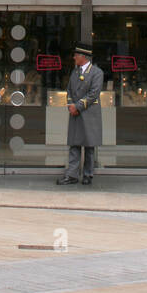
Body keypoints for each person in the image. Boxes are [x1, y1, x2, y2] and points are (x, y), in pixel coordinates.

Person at [57, 43, 103, 186]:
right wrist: (70, 105)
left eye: (76, 55)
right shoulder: (75, 72)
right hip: (76, 112)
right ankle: (72, 175)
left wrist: (77, 106)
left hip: (88, 113)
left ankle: (88, 174)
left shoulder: (97, 72)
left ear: (83, 57)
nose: (74, 57)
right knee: (74, 144)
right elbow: (69, 90)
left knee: (89, 145)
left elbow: (93, 94)